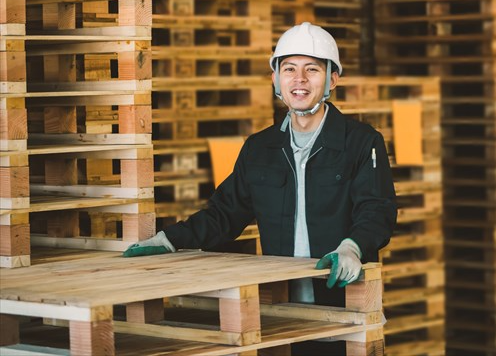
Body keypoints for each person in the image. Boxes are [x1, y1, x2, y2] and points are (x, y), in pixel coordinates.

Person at [123, 22, 398, 355]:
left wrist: (353, 247)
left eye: (312, 70)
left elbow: (377, 208)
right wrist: (170, 239)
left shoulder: (361, 142)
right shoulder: (259, 149)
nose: (299, 79)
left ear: (332, 79)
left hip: (343, 309)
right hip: (277, 312)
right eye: (289, 69)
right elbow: (224, 214)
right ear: (275, 79)